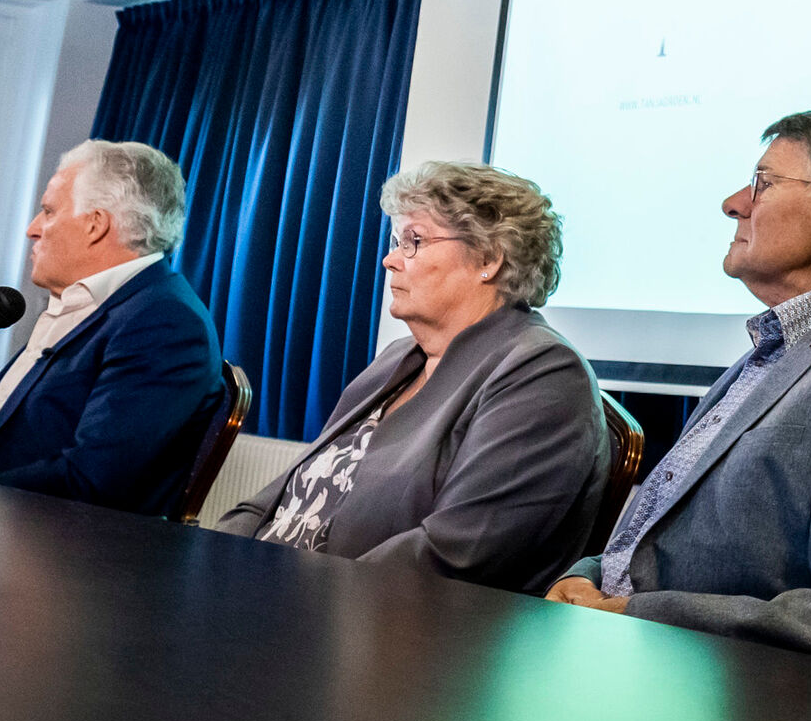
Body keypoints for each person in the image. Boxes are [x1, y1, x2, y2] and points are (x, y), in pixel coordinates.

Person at [548, 110, 811, 667]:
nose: (733, 203)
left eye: (762, 183)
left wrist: (633, 614)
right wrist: (586, 576)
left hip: (711, 691)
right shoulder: (773, 351)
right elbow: (660, 542)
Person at [217, 162, 607, 587]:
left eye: (413, 241)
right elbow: (279, 497)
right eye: (396, 242)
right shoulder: (398, 358)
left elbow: (455, 551)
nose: (389, 260)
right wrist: (210, 557)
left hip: (374, 613)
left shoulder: (545, 373)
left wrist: (288, 595)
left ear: (488, 258)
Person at [0, 139, 227, 515]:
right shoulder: (89, 304)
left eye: (48, 211)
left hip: (24, 531)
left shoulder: (166, 322)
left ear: (95, 224)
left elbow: (92, 479)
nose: (32, 229)